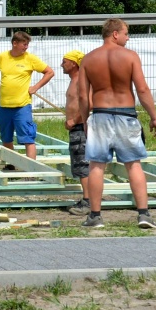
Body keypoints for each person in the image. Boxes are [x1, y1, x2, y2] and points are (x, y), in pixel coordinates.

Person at [78, 18, 156, 229]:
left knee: (96, 165)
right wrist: (154, 116)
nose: (128, 37)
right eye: (126, 33)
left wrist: (85, 119)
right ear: (115, 34)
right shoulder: (130, 56)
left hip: (100, 115)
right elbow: (142, 89)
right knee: (133, 164)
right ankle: (143, 214)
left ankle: (95, 216)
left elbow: (82, 96)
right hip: (126, 115)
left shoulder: (88, 59)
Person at [0, 31, 55, 161]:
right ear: (15, 43)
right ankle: (11, 165)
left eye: (27, 44)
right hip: (5, 106)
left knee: (28, 138)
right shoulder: (2, 57)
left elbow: (50, 72)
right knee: (6, 138)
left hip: (22, 106)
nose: (26, 47)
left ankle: (31, 169)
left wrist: (35, 87)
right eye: (24, 44)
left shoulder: (30, 58)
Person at [61, 49, 91, 215]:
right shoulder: (74, 80)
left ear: (73, 64)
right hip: (76, 128)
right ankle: (87, 199)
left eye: (64, 62)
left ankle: (88, 202)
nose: (62, 65)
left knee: (82, 164)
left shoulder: (81, 80)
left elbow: (89, 103)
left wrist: (75, 120)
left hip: (80, 128)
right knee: (79, 165)